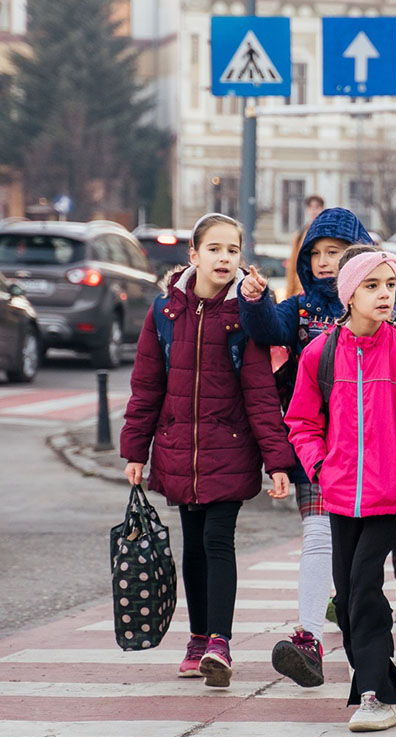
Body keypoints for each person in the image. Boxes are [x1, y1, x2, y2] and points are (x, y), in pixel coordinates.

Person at [238, 207, 396, 688]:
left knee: (363, 583)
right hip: (328, 463)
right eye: (315, 254)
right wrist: (254, 302)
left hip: (385, 466)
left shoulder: (395, 315)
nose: (324, 262)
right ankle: (310, 636)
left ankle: (373, 677)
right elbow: (268, 330)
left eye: (334, 252)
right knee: (321, 543)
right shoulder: (304, 312)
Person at [120, 212, 293, 688]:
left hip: (230, 448)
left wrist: (277, 461)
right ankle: (197, 639)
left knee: (218, 541)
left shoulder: (245, 315)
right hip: (179, 447)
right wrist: (136, 450)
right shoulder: (165, 312)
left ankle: (220, 641)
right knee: (192, 547)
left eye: (233, 250)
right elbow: (147, 386)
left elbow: (261, 394)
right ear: (193, 255)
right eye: (214, 249)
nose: (224, 258)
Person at [285, 248, 396, 732]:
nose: (384, 295)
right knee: (349, 595)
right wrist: (320, 466)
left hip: (389, 497)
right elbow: (301, 422)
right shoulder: (322, 353)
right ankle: (382, 684)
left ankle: (374, 695)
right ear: (349, 295)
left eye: (389, 286)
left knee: (364, 590)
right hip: (339, 496)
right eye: (372, 286)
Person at [284, 195, 326, 299]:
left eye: (317, 207)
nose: (313, 211)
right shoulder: (300, 235)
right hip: (301, 291)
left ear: (322, 209)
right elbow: (293, 265)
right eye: (310, 207)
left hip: (320, 291)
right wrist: (289, 294)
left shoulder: (328, 235)